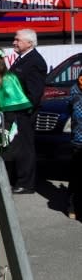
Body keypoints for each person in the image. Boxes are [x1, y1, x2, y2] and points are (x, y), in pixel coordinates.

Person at [5, 28, 47, 194]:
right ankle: (17, 178)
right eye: (14, 39)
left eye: (18, 40)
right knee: (16, 147)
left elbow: (34, 93)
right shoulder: (21, 59)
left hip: (24, 114)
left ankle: (26, 183)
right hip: (15, 112)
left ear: (30, 43)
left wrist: (22, 111)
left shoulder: (35, 62)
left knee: (25, 148)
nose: (14, 42)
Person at [68, 72, 82, 219]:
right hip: (79, 140)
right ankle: (72, 204)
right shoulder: (76, 91)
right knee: (76, 175)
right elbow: (76, 114)